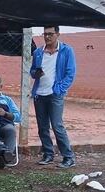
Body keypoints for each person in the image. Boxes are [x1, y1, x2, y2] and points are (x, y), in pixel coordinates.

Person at [30, 25, 76, 168]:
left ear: (57, 34)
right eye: (45, 34)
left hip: (55, 94)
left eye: (50, 34)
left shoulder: (66, 51)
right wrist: (36, 73)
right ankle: (48, 154)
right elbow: (32, 71)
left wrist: (60, 89)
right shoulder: (38, 52)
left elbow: (70, 73)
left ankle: (68, 157)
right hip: (40, 93)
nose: (47, 37)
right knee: (42, 127)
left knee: (57, 126)